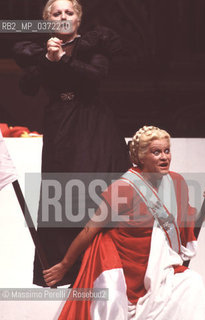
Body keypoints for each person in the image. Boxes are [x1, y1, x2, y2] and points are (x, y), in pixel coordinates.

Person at [43, 125, 205, 319]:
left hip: (159, 271)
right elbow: (89, 230)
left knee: (192, 283)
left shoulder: (176, 182)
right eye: (156, 152)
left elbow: (188, 223)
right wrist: (64, 265)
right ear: (141, 157)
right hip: (123, 272)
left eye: (167, 151)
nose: (164, 157)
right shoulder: (123, 188)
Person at [13, 0, 131, 286]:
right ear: (47, 20)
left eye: (69, 12)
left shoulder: (94, 44)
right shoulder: (43, 51)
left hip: (91, 121)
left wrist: (62, 59)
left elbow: (96, 77)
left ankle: (102, 266)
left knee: (92, 188)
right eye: (57, 13)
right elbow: (27, 88)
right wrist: (46, 59)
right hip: (59, 122)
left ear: (78, 19)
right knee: (61, 190)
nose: (63, 16)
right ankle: (65, 268)